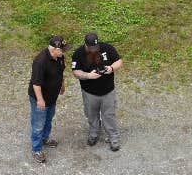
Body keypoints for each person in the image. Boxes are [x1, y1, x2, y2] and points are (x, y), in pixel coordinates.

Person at [71, 32, 123, 151]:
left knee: (109, 115)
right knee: (91, 115)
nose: (94, 50)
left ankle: (113, 137)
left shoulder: (107, 48)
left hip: (108, 91)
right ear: (86, 45)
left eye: (96, 47)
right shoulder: (78, 54)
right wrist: (88, 76)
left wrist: (111, 68)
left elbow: (119, 61)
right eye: (91, 48)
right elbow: (75, 72)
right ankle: (94, 133)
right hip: (89, 93)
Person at [27, 35, 69, 163]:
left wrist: (62, 85)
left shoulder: (60, 58)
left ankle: (45, 139)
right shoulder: (40, 61)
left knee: (49, 119)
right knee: (38, 123)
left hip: (52, 97)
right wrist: (40, 100)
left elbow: (61, 73)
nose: (64, 52)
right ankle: (37, 149)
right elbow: (36, 83)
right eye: (62, 49)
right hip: (40, 98)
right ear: (55, 49)